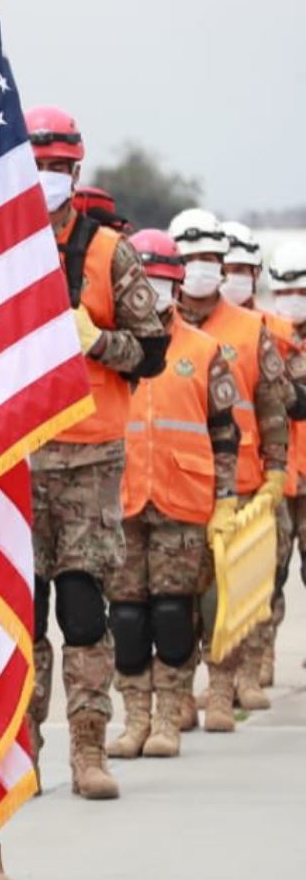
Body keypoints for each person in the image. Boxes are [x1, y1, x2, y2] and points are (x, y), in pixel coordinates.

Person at [20, 105, 168, 799]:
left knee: (81, 611)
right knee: (19, 611)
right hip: (15, 459)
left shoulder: (111, 252)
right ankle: (21, 753)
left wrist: (99, 341)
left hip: (88, 459)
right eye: (34, 164)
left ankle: (87, 751)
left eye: (57, 167)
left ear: (75, 171)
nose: (46, 177)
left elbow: (155, 352)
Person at [106, 230, 238, 760]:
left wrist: (225, 500)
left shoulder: (204, 352)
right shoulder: (112, 346)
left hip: (183, 503)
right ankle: (134, 718)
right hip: (121, 501)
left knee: (172, 614)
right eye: (143, 280)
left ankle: (167, 718)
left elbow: (225, 433)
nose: (151, 292)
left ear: (177, 285)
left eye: (160, 281)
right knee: (127, 617)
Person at [170, 208, 290, 723]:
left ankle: (221, 689)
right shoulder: (155, 329)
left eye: (209, 260)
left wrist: (276, 470)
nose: (200, 268)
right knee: (174, 600)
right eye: (190, 259)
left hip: (236, 484)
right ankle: (176, 695)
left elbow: (271, 406)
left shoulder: (250, 328)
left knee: (226, 597)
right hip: (172, 488)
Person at [222, 219, 296, 693]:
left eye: (243, 269)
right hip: (248, 472)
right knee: (254, 573)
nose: (233, 277)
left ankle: (258, 656)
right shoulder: (194, 331)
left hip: (277, 468)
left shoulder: (274, 330)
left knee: (275, 568)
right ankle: (249, 661)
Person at [266, 236, 306, 677]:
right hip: (276, 472)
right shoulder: (265, 336)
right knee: (269, 571)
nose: (291, 302)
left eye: (300, 292)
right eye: (284, 292)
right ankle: (262, 657)